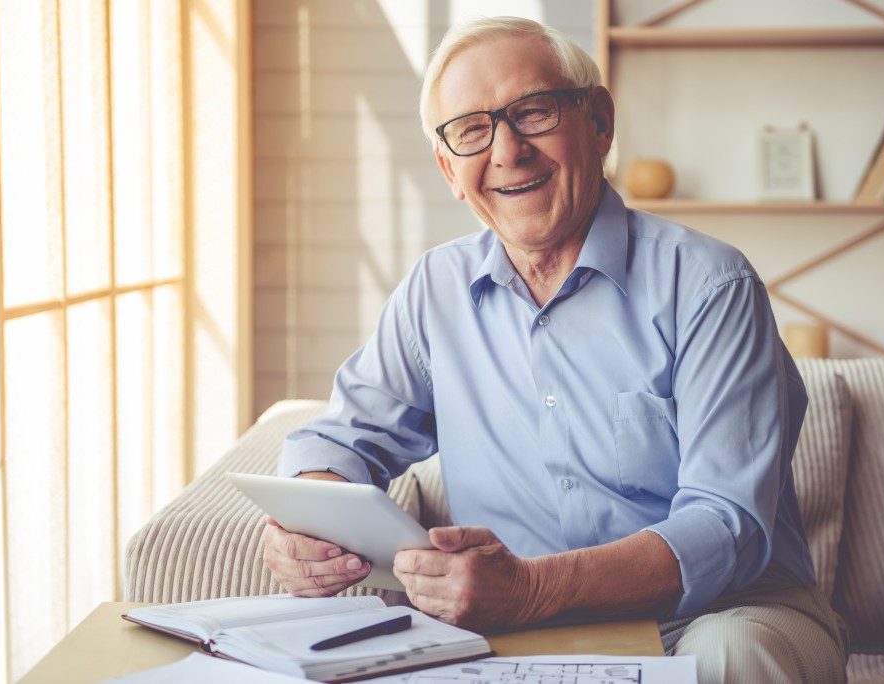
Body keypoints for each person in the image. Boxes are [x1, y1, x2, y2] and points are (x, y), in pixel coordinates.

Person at [261, 16, 847, 683]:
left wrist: (535, 588)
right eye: (472, 130)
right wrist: (306, 519)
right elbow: (341, 438)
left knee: (729, 657)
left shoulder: (712, 286)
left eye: (533, 113)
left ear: (598, 122)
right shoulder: (434, 291)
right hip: (516, 634)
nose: (508, 151)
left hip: (718, 613)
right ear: (450, 169)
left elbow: (726, 525)